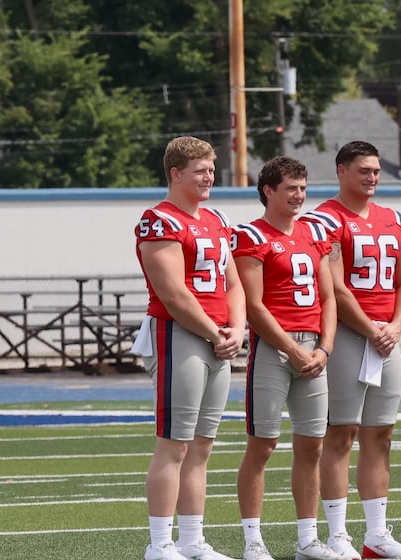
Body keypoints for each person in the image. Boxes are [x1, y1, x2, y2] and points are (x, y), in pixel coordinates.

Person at [301, 141, 401, 560]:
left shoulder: (393, 218)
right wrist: (371, 328)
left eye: (375, 171)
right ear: (341, 171)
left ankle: (376, 534)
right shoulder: (324, 219)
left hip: (386, 338)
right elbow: (335, 286)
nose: (372, 177)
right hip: (351, 337)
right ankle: (337, 534)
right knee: (341, 434)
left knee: (382, 434)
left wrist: (394, 326)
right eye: (363, 171)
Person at [131, 136, 246, 560]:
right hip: (180, 334)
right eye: (200, 170)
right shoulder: (158, 220)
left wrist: (237, 327)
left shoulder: (215, 218)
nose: (209, 176)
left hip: (218, 338)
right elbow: (174, 294)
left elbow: (232, 282)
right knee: (175, 444)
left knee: (202, 445)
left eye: (212, 169)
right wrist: (217, 334)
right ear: (176, 173)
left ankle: (193, 541)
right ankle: (159, 545)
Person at [231, 156, 342, 560]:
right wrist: (293, 349)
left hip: (314, 347)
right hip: (274, 349)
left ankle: (308, 540)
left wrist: (324, 348)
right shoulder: (250, 236)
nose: (299, 195)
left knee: (312, 446)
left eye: (302, 187)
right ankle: (253, 540)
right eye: (291, 188)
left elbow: (329, 297)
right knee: (263, 445)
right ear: (268, 191)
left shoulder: (315, 233)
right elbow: (254, 306)